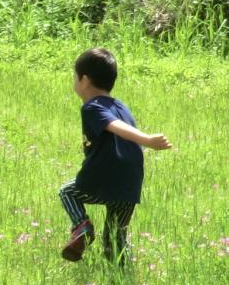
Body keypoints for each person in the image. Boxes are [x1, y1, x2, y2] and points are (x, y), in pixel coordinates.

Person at [59, 47, 172, 263]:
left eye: (74, 76)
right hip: (130, 182)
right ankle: (121, 277)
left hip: (104, 177)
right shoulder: (121, 106)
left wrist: (147, 140)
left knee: (67, 192)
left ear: (84, 80)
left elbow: (113, 125)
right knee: (115, 238)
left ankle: (82, 227)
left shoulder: (92, 107)